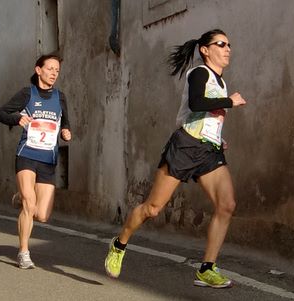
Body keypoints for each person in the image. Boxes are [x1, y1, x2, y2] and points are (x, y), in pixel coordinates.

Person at [104, 29, 246, 288]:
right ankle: (119, 243)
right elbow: (196, 103)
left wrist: (217, 137)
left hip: (209, 150)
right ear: (205, 49)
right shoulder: (200, 73)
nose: (228, 49)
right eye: (221, 44)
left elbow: (209, 116)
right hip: (185, 146)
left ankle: (207, 268)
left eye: (229, 45)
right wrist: (230, 101)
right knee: (153, 208)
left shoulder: (221, 80)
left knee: (227, 205)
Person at [0, 53, 71, 269]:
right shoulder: (28, 94)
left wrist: (66, 132)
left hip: (48, 159)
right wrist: (17, 118)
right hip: (27, 155)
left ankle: (21, 195)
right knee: (30, 204)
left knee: (42, 215)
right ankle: (24, 252)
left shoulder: (60, 97)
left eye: (57, 70)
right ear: (39, 70)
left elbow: (65, 123)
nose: (54, 73)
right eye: (50, 69)